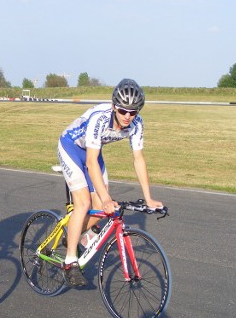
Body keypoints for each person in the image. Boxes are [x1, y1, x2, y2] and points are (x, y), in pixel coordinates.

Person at [57, 78, 163, 287]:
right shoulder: (100, 118)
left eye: (133, 112)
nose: (127, 117)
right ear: (114, 106)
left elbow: (138, 159)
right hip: (71, 147)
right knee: (84, 203)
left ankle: (72, 234)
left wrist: (149, 198)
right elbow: (89, 162)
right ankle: (70, 261)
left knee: (102, 209)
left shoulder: (136, 125)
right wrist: (106, 198)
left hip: (93, 153)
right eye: (123, 111)